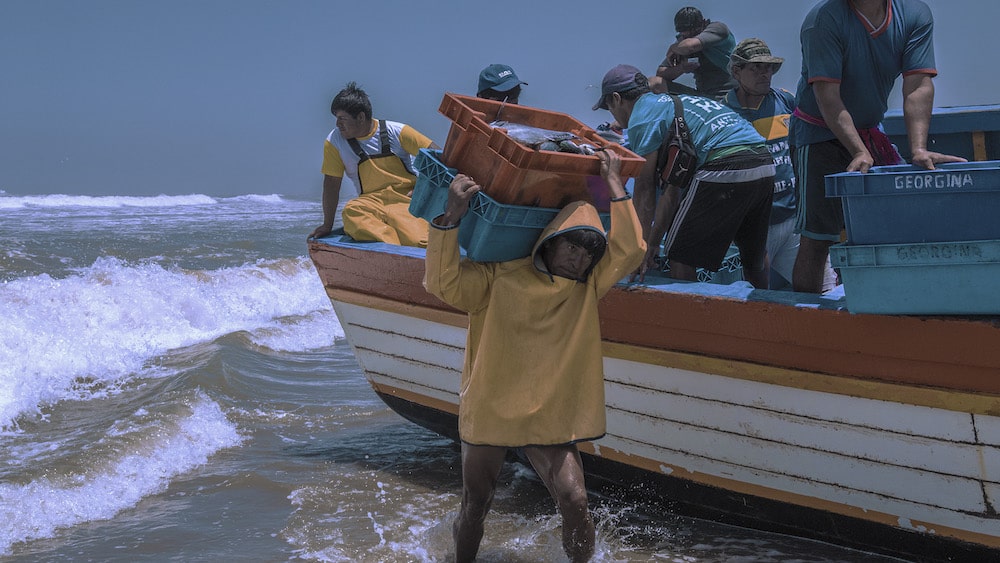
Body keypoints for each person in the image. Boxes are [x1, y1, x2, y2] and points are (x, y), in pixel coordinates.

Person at [424, 150, 645, 563]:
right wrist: (451, 216)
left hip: (549, 414)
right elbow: (442, 283)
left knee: (575, 499)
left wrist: (615, 184)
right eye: (572, 246)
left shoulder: (586, 287)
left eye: (589, 251)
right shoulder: (498, 277)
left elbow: (631, 250)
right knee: (477, 506)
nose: (580, 258)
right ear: (549, 242)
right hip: (492, 407)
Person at [789, 0, 966, 293]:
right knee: (818, 236)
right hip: (818, 133)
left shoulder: (914, 14)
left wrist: (919, 149)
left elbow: (918, 84)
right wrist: (858, 151)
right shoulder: (823, 20)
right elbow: (827, 95)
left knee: (889, 228)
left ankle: (884, 304)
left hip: (872, 132)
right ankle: (803, 322)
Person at [594, 63, 774, 289]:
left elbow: (645, 189)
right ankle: (763, 307)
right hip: (764, 163)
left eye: (608, 107)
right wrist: (652, 244)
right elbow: (672, 193)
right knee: (753, 258)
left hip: (724, 162)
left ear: (617, 99)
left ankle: (689, 318)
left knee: (680, 256)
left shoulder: (642, 116)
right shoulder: (675, 102)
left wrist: (637, 252)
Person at [723, 38, 837, 292]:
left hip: (793, 219)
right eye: (756, 68)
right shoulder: (724, 114)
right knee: (750, 297)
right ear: (736, 71)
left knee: (826, 289)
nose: (765, 74)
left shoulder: (786, 101)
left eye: (769, 68)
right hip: (752, 227)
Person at [307, 81, 439, 245]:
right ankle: (393, 249)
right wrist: (327, 225)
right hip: (369, 204)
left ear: (361, 117)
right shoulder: (335, 141)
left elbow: (439, 159)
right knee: (351, 211)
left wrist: (422, 188)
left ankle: (406, 245)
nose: (337, 124)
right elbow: (331, 185)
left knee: (420, 241)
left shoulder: (397, 131)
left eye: (342, 119)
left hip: (404, 200)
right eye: (336, 119)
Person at [648, 7, 738, 100]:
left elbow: (690, 46)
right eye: (685, 34)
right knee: (654, 83)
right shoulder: (681, 44)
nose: (689, 35)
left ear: (703, 23)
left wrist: (673, 48)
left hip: (729, 96)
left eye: (693, 31)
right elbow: (661, 73)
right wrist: (682, 68)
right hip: (703, 97)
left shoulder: (717, 29)